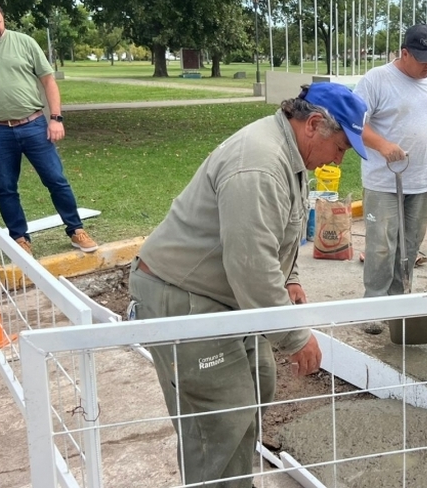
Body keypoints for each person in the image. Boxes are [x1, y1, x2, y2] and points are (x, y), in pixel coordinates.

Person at [128, 82, 367, 488]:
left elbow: (276, 231)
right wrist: (295, 336)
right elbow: (250, 266)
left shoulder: (290, 153)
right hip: (182, 293)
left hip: (223, 295)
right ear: (313, 125)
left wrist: (289, 279)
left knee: (259, 380)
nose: (339, 158)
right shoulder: (258, 163)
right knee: (221, 413)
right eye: (341, 147)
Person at [0, 0, 98, 255]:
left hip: (34, 125)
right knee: (5, 187)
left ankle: (75, 229)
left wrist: (56, 118)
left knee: (56, 180)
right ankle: (19, 239)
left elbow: (49, 81)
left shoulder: (25, 42)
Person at [354, 23, 427, 332]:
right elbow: (355, 124)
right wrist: (383, 145)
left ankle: (399, 301)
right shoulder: (377, 80)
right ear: (404, 53)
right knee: (381, 246)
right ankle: (373, 306)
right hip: (382, 181)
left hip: (420, 181)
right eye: (424, 58)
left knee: (410, 246)